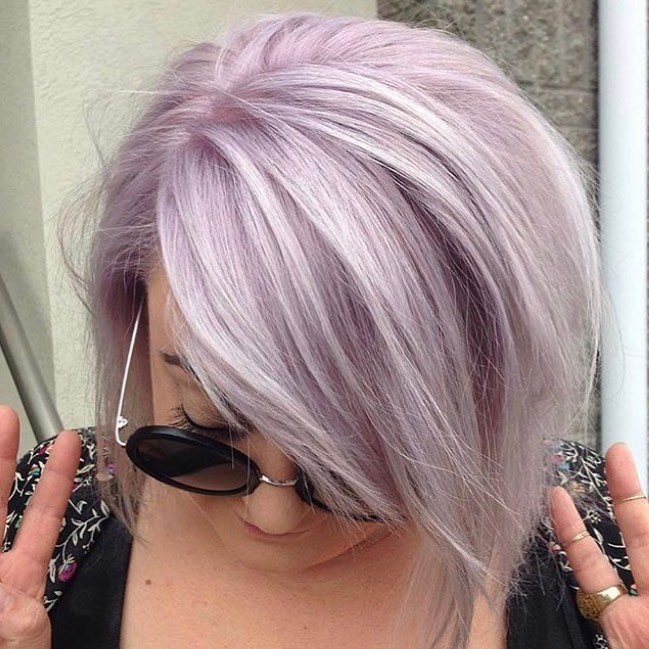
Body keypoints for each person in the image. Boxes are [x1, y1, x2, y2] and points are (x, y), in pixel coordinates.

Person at [0, 11, 646, 649]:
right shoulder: (55, 515)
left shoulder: (593, 539)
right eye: (205, 427)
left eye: (361, 466)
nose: (273, 515)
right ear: (134, 317)